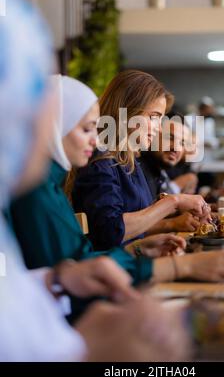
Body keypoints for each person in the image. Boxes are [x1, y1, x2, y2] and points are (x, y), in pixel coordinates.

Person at [0, 0, 191, 362]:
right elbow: (107, 234)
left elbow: (60, 273)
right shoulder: (43, 189)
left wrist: (59, 280)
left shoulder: (48, 185)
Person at [72, 70, 213, 251]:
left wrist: (148, 243)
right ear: (128, 111)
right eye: (153, 117)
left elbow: (135, 228)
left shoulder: (131, 161)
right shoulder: (100, 160)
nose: (157, 128)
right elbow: (109, 231)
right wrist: (174, 201)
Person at [140, 113, 198, 198]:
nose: (176, 148)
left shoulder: (160, 172)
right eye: (170, 138)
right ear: (153, 134)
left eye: (182, 143)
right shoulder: (136, 171)